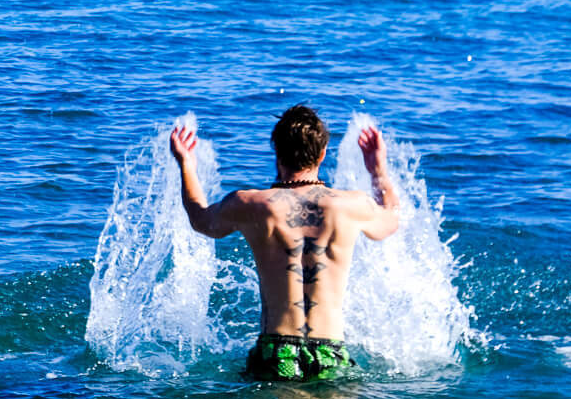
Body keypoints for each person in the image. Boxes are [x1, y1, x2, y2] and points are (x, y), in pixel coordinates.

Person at [170, 104, 401, 381]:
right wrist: (378, 170)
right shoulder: (352, 205)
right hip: (330, 354)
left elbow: (200, 219)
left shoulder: (250, 204)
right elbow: (391, 221)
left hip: (276, 353)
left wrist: (186, 165)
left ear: (277, 153)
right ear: (322, 153)